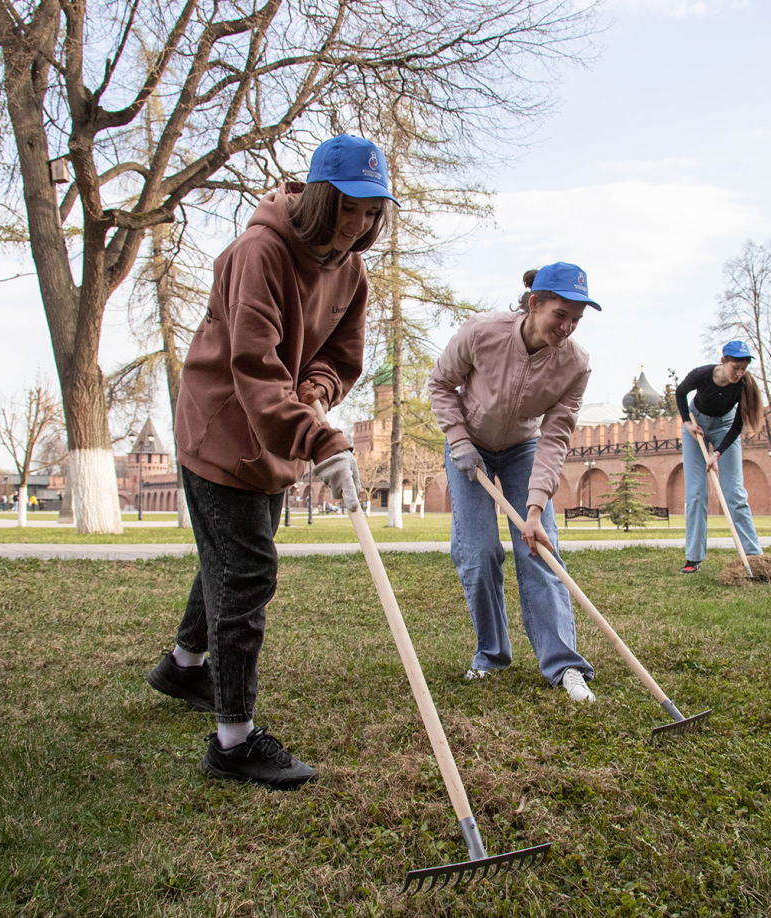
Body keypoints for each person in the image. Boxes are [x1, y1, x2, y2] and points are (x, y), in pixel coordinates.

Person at [144, 134, 397, 790]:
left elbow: (340, 356)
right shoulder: (257, 253)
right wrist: (317, 438)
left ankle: (183, 666)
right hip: (221, 427)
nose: (360, 226)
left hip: (277, 428)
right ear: (319, 198)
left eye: (373, 213)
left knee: (231, 561)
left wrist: (315, 393)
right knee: (248, 570)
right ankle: (232, 742)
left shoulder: (352, 272)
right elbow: (253, 366)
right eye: (349, 209)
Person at [428, 264, 599, 703]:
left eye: (576, 319)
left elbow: (556, 435)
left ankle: (564, 667)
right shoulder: (482, 332)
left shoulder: (575, 364)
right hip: (470, 446)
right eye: (560, 314)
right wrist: (458, 437)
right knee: (479, 551)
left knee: (539, 549)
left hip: (525, 448)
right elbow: (441, 382)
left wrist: (536, 508)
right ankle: (491, 654)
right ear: (533, 303)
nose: (567, 327)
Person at [676, 340, 764, 574]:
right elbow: (680, 392)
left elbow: (737, 427)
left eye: (743, 368)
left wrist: (717, 454)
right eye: (735, 367)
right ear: (723, 361)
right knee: (696, 494)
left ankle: (753, 555)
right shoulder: (702, 374)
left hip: (726, 427)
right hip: (696, 426)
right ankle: (693, 558)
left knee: (735, 492)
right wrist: (687, 422)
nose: (739, 373)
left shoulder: (744, 385)